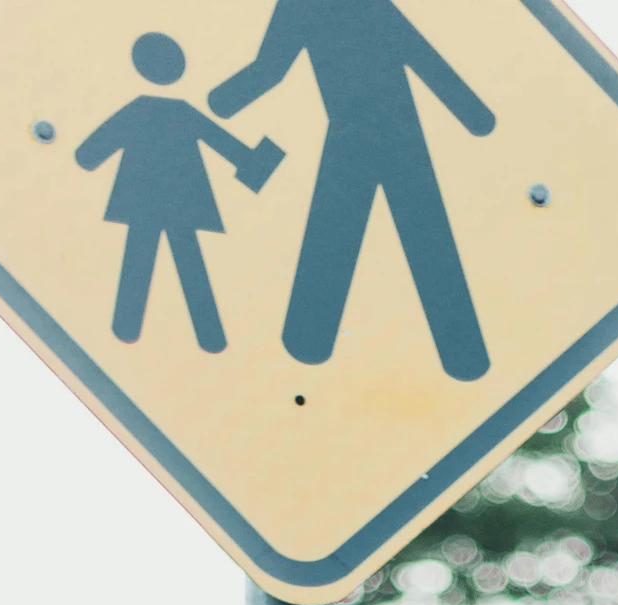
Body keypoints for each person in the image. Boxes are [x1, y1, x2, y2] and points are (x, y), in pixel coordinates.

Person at [208, 0, 495, 380]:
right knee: (383, 236)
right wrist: (475, 116)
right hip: (380, 133)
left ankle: (308, 343)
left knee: (364, 235)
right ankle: (464, 358)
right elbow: (422, 56)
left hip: (365, 135)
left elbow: (271, 69)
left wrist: (221, 103)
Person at [76, 32, 286, 354]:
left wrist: (88, 156)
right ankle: (210, 336)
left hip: (143, 201)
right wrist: (253, 160)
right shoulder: (184, 112)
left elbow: (89, 153)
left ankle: (128, 327)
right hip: (184, 199)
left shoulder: (139, 109)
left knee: (140, 258)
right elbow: (226, 145)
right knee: (188, 262)